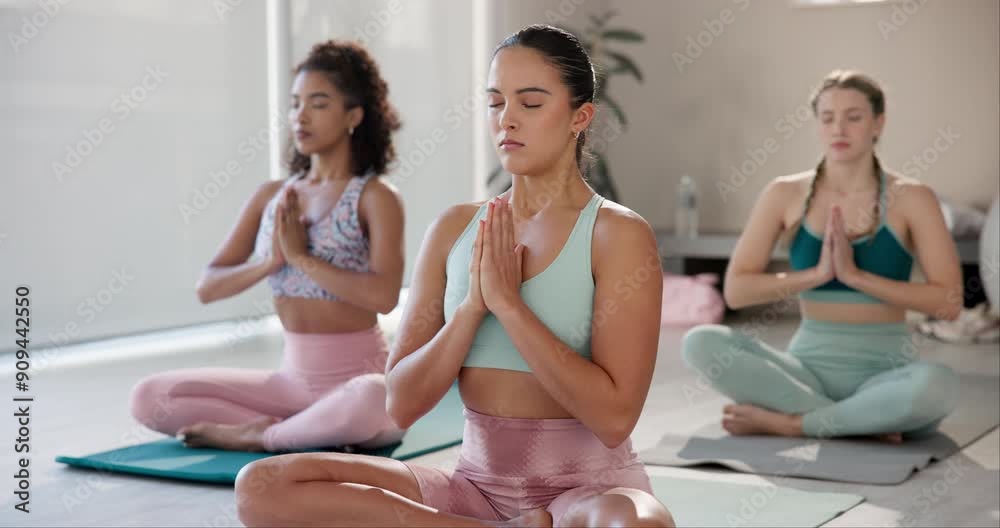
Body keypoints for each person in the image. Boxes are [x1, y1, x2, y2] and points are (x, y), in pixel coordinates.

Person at [233, 25, 674, 528]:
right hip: (473, 488)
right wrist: (470, 311)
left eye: (530, 103)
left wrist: (510, 305)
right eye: (494, 103)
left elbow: (614, 419)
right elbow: (400, 402)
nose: (507, 119)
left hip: (589, 491)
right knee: (261, 488)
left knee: (637, 525)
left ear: (581, 116)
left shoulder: (618, 235)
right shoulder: (454, 229)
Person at [128, 40, 407, 453]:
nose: (300, 116)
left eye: (318, 103)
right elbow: (209, 286)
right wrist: (269, 262)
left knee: (372, 399)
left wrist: (302, 259)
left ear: (353, 115)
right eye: (295, 104)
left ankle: (266, 435)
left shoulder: (375, 196)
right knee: (149, 397)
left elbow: (384, 296)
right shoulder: (272, 196)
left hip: (358, 382)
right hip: (289, 384)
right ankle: (306, 429)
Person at [682, 70, 962, 443]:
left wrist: (857, 277)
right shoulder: (784, 193)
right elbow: (737, 291)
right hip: (803, 371)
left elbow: (949, 303)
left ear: (878, 123)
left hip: (887, 374)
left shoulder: (913, 197)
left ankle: (791, 423)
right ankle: (857, 422)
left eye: (854, 117)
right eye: (827, 118)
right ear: (817, 124)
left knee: (937, 386)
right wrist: (816, 275)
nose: (839, 129)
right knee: (700, 342)